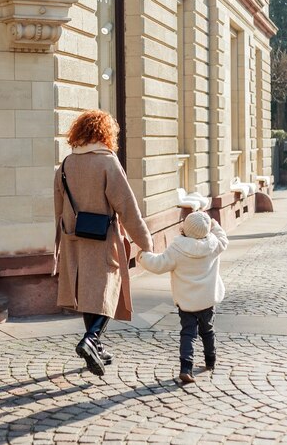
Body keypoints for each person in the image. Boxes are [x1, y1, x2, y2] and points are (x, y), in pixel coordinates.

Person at [53, 109, 153, 377]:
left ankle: (96, 347)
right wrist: (146, 241)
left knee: (89, 294)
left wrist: (61, 241)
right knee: (109, 290)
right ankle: (90, 339)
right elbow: (127, 207)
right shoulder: (108, 162)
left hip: (74, 238)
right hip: (103, 238)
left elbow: (59, 206)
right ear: (105, 134)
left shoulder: (66, 164)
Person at [137, 211, 228, 383]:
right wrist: (215, 226)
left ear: (184, 228)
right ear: (207, 230)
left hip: (187, 303)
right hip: (207, 301)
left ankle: (186, 368)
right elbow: (223, 239)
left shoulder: (177, 248)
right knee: (207, 331)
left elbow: (159, 264)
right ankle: (211, 360)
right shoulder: (214, 245)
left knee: (188, 334)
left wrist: (143, 257)